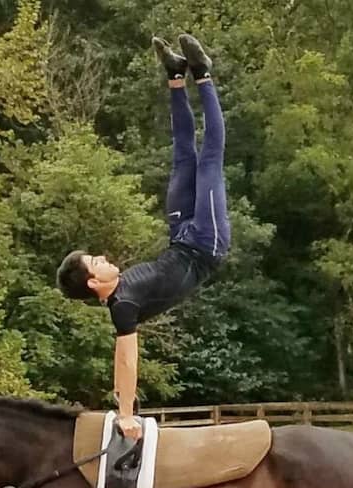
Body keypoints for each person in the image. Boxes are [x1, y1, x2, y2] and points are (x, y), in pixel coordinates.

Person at [56, 34, 230, 440]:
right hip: (206, 244)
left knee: (183, 154)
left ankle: (174, 76)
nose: (102, 256)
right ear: (95, 283)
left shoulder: (121, 294)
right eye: (94, 262)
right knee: (210, 159)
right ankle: (203, 74)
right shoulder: (122, 309)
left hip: (179, 235)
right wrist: (125, 413)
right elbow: (126, 361)